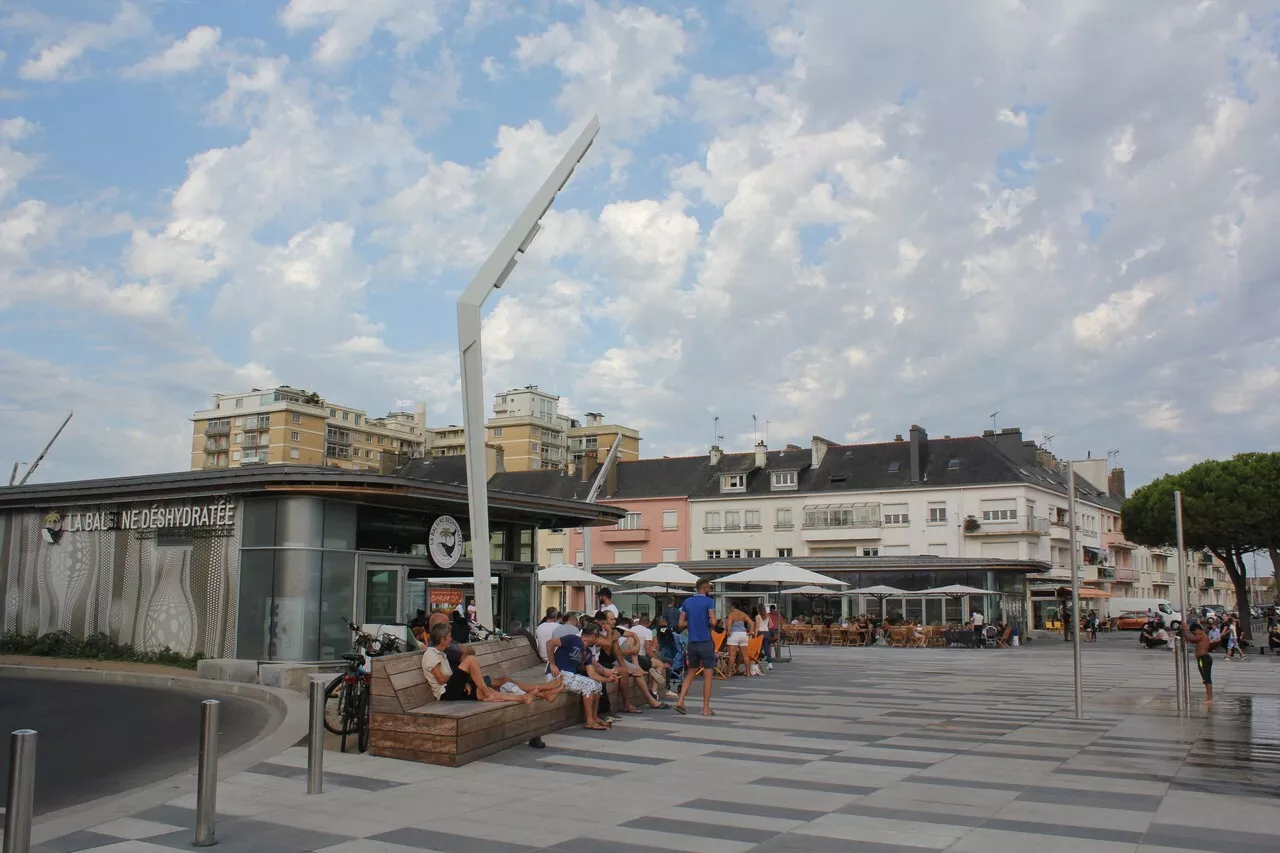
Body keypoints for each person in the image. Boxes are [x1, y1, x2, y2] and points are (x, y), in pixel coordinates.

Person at [422, 623, 557, 706]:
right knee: (470, 660)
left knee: (485, 693)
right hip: (445, 693)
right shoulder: (431, 654)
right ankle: (486, 689)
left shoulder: (441, 653)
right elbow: (440, 679)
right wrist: (460, 679)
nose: (451, 639)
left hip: (452, 690)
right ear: (442, 639)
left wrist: (463, 682)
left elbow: (449, 677)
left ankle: (523, 697)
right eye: (449, 637)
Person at [546, 623, 608, 730]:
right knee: (589, 684)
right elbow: (550, 643)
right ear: (593, 636)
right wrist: (552, 664)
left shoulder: (587, 651)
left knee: (598, 685)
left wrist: (608, 679)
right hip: (558, 674)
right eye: (597, 637)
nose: (597, 641)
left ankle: (594, 717)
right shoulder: (573, 639)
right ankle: (589, 721)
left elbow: (592, 673)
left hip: (570, 676)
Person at [676, 578, 717, 716]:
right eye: (709, 588)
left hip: (692, 643)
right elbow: (714, 621)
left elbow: (680, 624)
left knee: (691, 672)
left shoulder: (687, 602)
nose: (710, 591)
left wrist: (692, 623)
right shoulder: (709, 601)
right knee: (708, 674)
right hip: (705, 641)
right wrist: (708, 622)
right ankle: (705, 708)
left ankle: (680, 700)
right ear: (705, 588)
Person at [1182, 621, 1222, 703]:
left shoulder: (1202, 635)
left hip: (1204, 658)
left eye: (1194, 632)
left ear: (1197, 630)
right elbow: (1189, 639)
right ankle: (1208, 697)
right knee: (1205, 679)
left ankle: (1210, 698)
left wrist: (1186, 630)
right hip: (1201, 659)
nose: (1194, 634)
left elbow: (1190, 638)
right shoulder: (1201, 636)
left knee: (1207, 678)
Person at [725, 600, 753, 676]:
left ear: (733, 607)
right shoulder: (743, 614)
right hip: (743, 634)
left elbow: (729, 624)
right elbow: (752, 623)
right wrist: (750, 631)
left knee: (732, 655)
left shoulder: (731, 614)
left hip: (734, 634)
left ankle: (729, 672)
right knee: (745, 655)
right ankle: (748, 672)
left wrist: (729, 632)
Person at [755, 604, 773, 670]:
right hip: (767, 633)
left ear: (758, 609)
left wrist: (756, 635)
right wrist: (767, 627)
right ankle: (769, 663)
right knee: (766, 649)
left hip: (760, 633)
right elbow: (771, 624)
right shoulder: (767, 616)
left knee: (758, 649)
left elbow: (757, 627)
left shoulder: (757, 616)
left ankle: (756, 664)